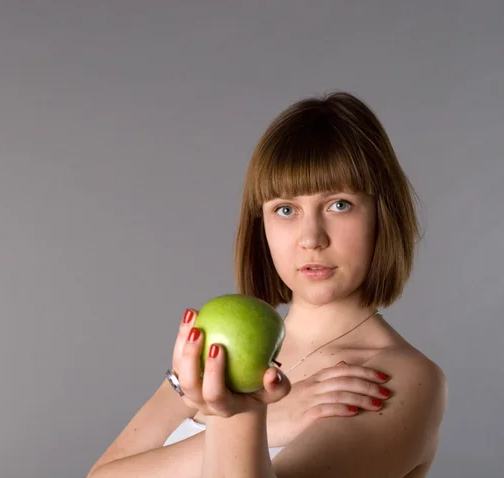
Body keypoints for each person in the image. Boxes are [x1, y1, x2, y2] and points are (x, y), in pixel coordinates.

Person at [87, 91, 448, 478]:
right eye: (285, 210)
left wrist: (239, 416)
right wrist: (271, 421)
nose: (311, 237)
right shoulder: (218, 349)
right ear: (262, 226)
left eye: (339, 204)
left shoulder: (401, 379)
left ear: (382, 215)